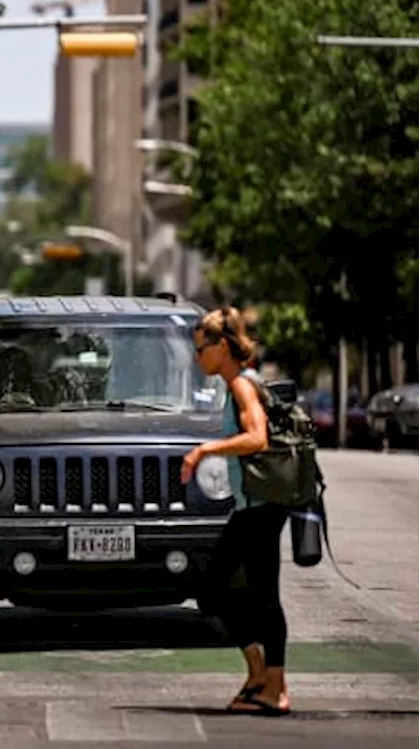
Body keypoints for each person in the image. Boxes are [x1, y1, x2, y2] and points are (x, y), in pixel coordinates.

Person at [181, 306, 292, 716]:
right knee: (263, 596)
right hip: (258, 505)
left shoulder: (244, 386)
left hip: (259, 508)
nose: (198, 358)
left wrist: (204, 449)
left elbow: (257, 438)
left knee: (213, 589)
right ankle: (267, 682)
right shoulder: (240, 384)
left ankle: (266, 678)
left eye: (201, 349)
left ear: (222, 347)